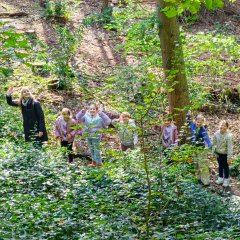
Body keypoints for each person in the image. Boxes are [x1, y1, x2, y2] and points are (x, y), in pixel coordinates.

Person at [187, 112, 212, 186]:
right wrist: (188, 115)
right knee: (196, 164)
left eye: (200, 122)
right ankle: (198, 179)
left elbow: (206, 137)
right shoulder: (193, 126)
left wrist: (210, 145)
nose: (199, 123)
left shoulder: (203, 129)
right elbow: (189, 123)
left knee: (203, 165)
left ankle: (206, 181)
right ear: (196, 121)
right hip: (193, 148)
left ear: (203, 123)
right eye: (198, 122)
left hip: (201, 149)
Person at [212, 120, 233, 187]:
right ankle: (220, 178)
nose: (222, 126)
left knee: (226, 167)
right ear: (219, 126)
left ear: (227, 127)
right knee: (220, 166)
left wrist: (229, 158)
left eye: (224, 125)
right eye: (221, 125)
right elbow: (214, 144)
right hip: (218, 153)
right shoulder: (216, 134)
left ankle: (226, 179)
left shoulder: (228, 136)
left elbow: (230, 148)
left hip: (225, 154)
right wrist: (213, 152)